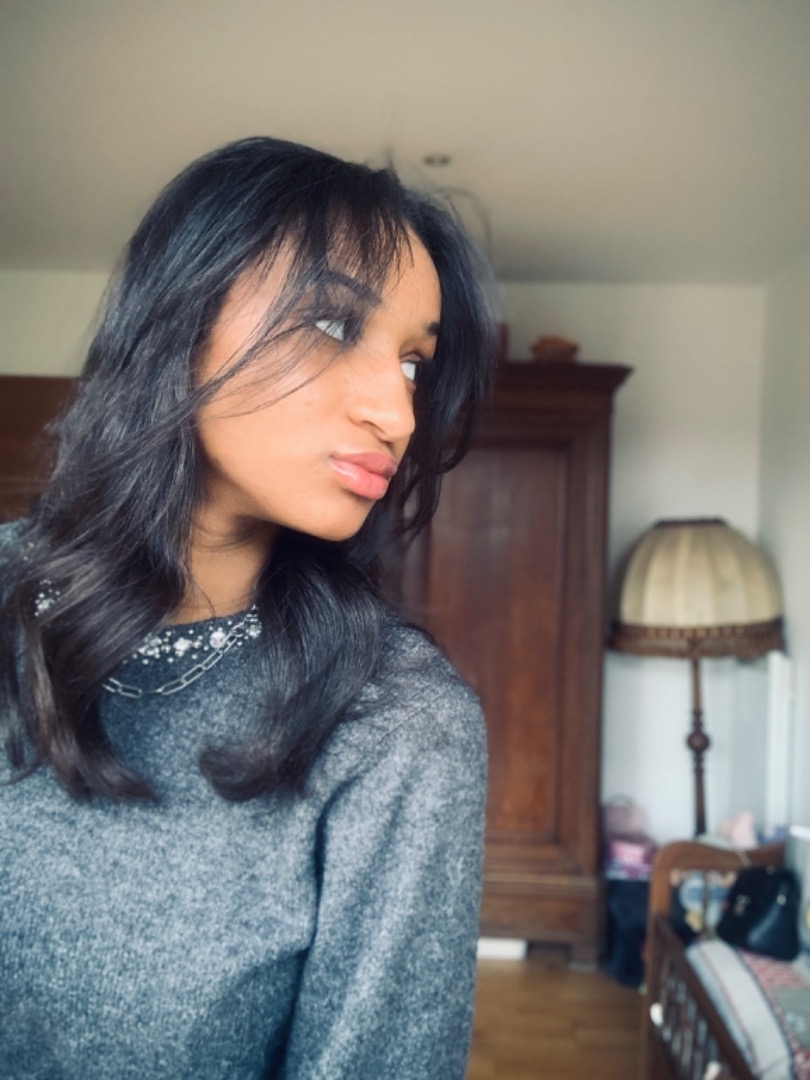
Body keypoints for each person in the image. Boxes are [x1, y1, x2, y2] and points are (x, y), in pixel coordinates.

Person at [0, 136, 496, 1079]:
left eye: (414, 364)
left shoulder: (396, 723)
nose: (398, 414)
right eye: (334, 324)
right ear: (178, 321)